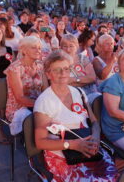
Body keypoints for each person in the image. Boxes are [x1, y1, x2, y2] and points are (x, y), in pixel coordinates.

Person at [34, 50, 118, 181]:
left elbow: (94, 122)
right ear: (48, 74)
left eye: (66, 69)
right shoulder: (44, 101)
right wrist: (73, 145)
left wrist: (95, 137)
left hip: (88, 147)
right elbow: (40, 142)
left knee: (112, 175)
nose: (63, 74)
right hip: (63, 155)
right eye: (57, 70)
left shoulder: (78, 92)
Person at [5, 36, 48, 135]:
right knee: (43, 121)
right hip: (19, 109)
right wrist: (43, 106)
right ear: (24, 50)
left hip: (38, 106)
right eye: (33, 47)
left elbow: (45, 91)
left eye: (39, 48)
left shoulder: (40, 66)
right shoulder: (15, 68)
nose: (38, 50)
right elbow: (20, 98)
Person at [60, 34, 99, 103]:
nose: (68, 50)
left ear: (77, 46)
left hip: (90, 93)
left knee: (97, 99)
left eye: (71, 46)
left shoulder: (83, 58)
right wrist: (84, 80)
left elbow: (92, 78)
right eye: (65, 46)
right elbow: (62, 83)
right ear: (61, 48)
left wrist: (73, 80)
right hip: (71, 96)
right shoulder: (58, 62)